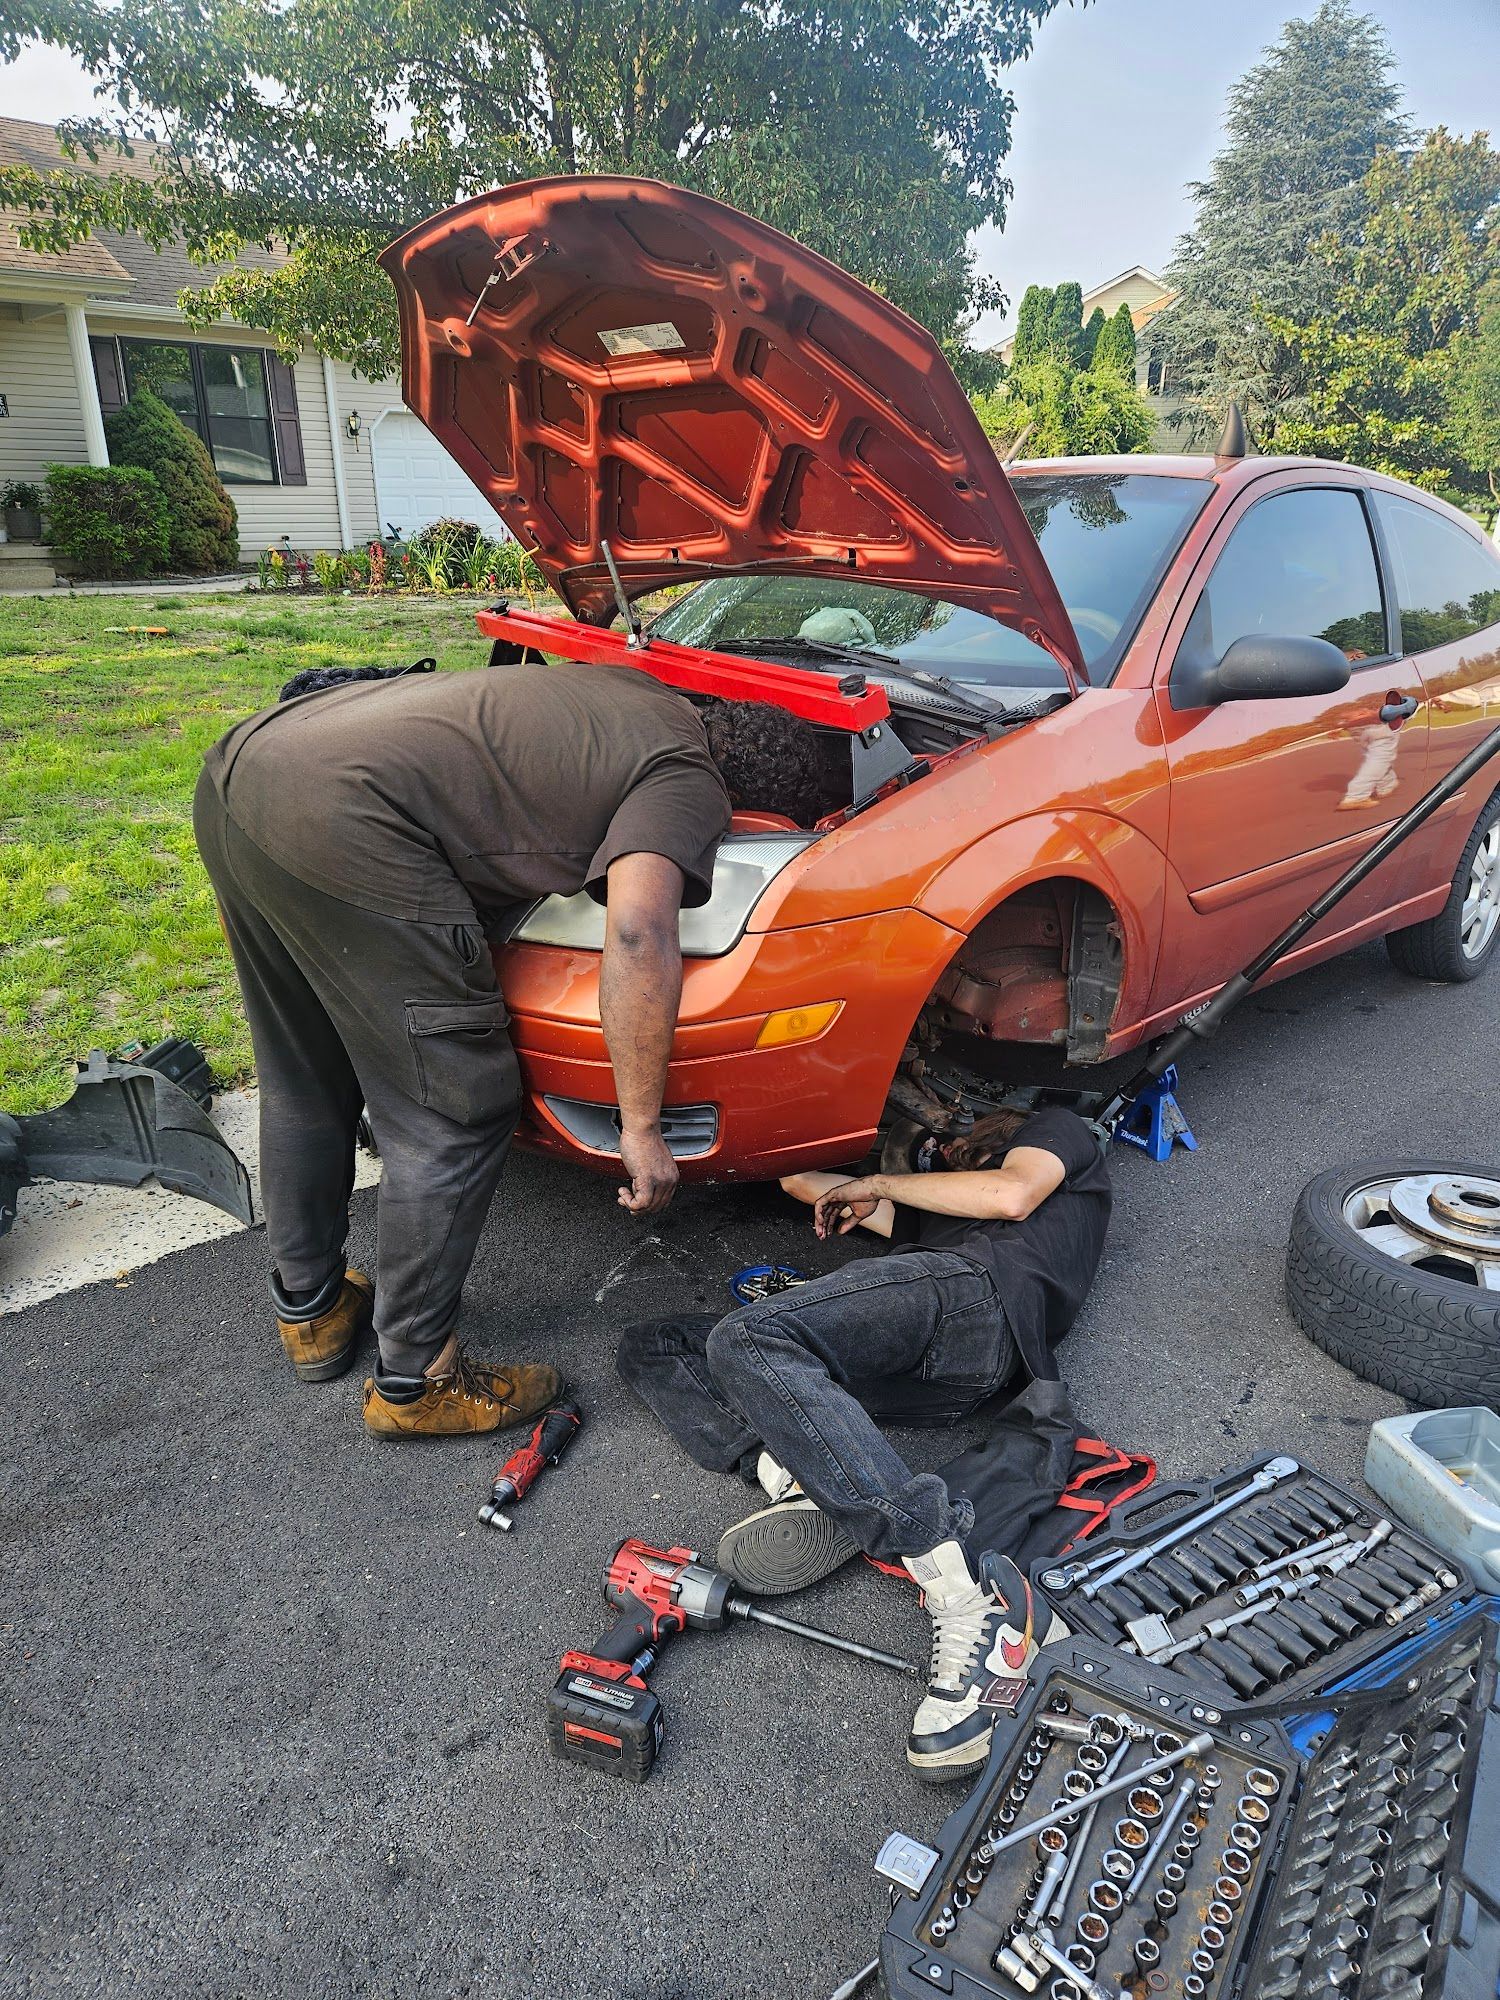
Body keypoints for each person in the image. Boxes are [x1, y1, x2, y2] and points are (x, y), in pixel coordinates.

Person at [194, 658, 826, 1439]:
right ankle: (416, 1382)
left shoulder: (635, 688)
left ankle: (313, 1314)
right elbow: (637, 933)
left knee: (303, 1073)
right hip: (349, 820)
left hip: (244, 768)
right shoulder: (687, 776)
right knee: (453, 1109)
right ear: (751, 798)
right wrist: (640, 1127)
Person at [616, 1103, 1111, 1779]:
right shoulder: (937, 1213)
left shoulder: (1056, 1133)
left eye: (953, 1136)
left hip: (977, 1298)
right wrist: (704, 1121)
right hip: (943, 1363)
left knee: (752, 1336)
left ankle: (966, 1588)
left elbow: (1010, 1192)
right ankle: (789, 1470)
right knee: (657, 1344)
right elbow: (802, 1183)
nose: (940, 1145)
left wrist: (878, 1181)